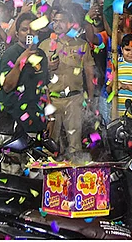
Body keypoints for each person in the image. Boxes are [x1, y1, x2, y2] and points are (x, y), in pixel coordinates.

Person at [40, 9, 96, 154]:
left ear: (70, 24)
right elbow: (36, 75)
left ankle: (74, 173)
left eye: (61, 21)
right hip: (51, 100)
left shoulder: (81, 45)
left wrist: (90, 99)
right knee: (51, 145)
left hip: (74, 100)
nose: (57, 24)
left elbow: (90, 74)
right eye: (55, 21)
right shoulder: (44, 45)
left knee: (74, 145)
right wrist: (48, 68)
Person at [0, 13, 49, 135]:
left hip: (36, 120)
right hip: (14, 121)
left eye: (33, 29)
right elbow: (7, 86)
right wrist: (21, 61)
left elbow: (44, 87)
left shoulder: (41, 54)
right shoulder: (10, 54)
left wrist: (49, 116)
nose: (29, 33)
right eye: (24, 29)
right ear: (17, 34)